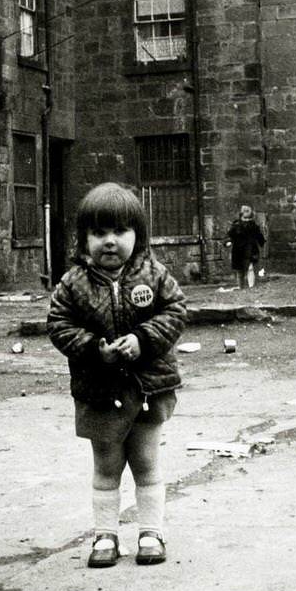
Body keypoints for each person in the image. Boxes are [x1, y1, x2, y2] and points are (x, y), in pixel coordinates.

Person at [47, 182, 187, 569]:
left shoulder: (154, 275)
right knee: (106, 465)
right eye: (99, 233)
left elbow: (175, 312)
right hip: (99, 389)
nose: (110, 242)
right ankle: (105, 535)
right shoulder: (73, 284)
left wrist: (143, 340)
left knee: (146, 462)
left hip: (148, 387)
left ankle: (150, 532)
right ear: (84, 239)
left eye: (120, 232)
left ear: (138, 235)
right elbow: (59, 324)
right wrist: (94, 348)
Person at [225, 204, 266, 289]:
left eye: (248, 218)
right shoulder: (236, 225)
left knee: (250, 268)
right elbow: (230, 235)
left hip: (250, 249)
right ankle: (240, 286)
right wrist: (228, 241)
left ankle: (251, 286)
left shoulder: (253, 225)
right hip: (238, 250)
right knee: (240, 270)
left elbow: (259, 235)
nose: (247, 220)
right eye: (245, 218)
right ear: (241, 215)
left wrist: (261, 242)